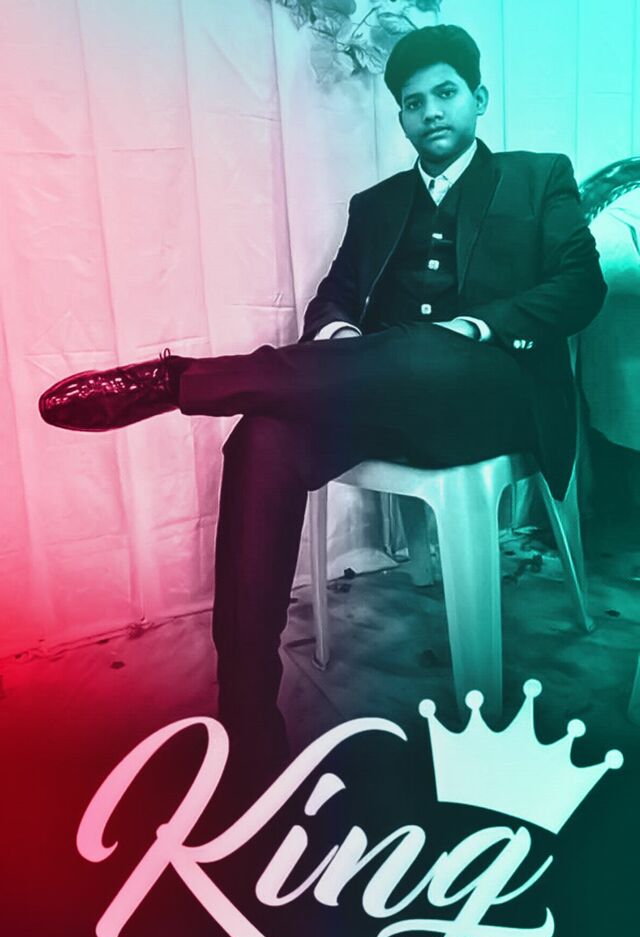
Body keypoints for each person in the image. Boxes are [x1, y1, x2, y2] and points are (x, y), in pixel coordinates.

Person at [39, 24, 606, 781]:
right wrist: (338, 333)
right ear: (401, 117)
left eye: (445, 94)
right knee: (262, 436)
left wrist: (480, 326)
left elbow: (581, 286)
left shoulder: (539, 178)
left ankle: (184, 380)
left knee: (425, 345)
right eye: (413, 103)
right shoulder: (376, 204)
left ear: (479, 98)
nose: (431, 112)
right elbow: (336, 295)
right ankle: (246, 715)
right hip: (383, 394)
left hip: (491, 399)